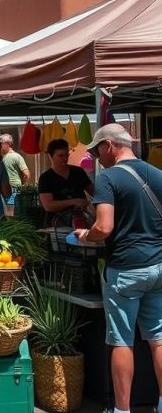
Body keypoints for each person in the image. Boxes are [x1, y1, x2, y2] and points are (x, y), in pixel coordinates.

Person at [76, 124, 162, 413]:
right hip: (158, 267)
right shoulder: (158, 175)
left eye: (97, 150)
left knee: (122, 340)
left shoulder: (108, 178)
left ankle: (122, 410)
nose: (97, 157)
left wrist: (86, 236)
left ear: (109, 145)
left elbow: (103, 226)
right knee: (158, 338)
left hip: (125, 269)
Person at [37, 139, 94, 228]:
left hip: (80, 221)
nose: (65, 158)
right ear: (51, 156)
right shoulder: (46, 178)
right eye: (60, 155)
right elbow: (48, 205)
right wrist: (73, 202)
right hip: (56, 225)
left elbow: (94, 192)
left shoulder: (78, 172)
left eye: (66, 155)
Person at [0, 134, 30, 204]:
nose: (0, 145)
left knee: (12, 212)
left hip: (14, 190)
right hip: (6, 189)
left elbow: (27, 174)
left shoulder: (16, 156)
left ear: (8, 144)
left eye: (1, 143)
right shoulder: (4, 157)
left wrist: (20, 185)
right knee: (8, 212)